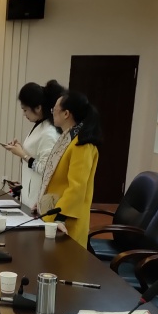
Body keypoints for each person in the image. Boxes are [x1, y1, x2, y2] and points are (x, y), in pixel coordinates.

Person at [34, 91, 103, 248]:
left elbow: (77, 187)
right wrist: (41, 202)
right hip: (54, 213)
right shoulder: (67, 138)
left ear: (66, 114)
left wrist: (60, 217)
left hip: (66, 221)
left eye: (54, 109)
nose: (52, 112)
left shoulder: (82, 145)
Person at [3, 80, 64, 209]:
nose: (24, 114)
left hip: (37, 200)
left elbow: (46, 169)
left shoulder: (49, 132)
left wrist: (23, 154)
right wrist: (20, 149)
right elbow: (36, 154)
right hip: (29, 194)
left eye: (25, 110)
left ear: (38, 108)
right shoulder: (40, 126)